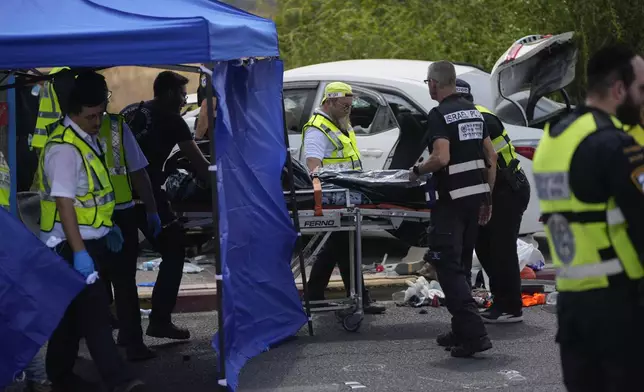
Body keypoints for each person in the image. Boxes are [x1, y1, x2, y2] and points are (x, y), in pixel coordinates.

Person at [532, 44, 644, 392]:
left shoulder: (552, 139)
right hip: (619, 305)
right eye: (642, 90)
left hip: (572, 305)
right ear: (620, 89)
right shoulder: (614, 144)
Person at [38, 71, 144, 392]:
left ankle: (59, 374)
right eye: (91, 116)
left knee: (72, 316)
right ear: (74, 113)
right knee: (96, 315)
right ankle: (119, 380)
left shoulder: (88, 140)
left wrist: (106, 228)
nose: (98, 121)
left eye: (100, 113)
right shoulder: (65, 151)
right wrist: (81, 251)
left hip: (89, 241)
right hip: (72, 247)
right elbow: (65, 203)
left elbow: (94, 197)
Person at [68, 72, 161, 361]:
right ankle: (129, 342)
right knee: (123, 282)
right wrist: (152, 210)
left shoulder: (67, 133)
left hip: (89, 220)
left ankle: (102, 343)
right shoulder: (117, 128)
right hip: (117, 215)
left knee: (95, 283)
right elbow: (139, 173)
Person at [408, 61, 495, 357]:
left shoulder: (439, 115)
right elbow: (491, 156)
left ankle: (474, 335)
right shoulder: (473, 111)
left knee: (447, 266)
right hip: (475, 199)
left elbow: (441, 157)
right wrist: (488, 198)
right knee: (461, 265)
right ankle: (461, 330)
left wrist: (418, 170)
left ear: (434, 83)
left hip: (452, 202)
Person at [120, 71, 212, 340]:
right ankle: (159, 320)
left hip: (115, 197)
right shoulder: (173, 121)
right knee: (174, 249)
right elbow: (200, 166)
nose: (185, 101)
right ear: (170, 93)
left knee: (121, 265)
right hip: (147, 194)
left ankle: (122, 330)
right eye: (183, 95)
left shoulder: (129, 111)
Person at [300, 81, 385, 314]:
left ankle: (315, 293)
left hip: (347, 193)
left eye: (350, 106)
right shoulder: (319, 128)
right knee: (345, 246)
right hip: (333, 195)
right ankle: (360, 297)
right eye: (344, 106)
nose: (349, 110)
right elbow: (313, 166)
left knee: (336, 246)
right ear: (330, 102)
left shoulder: (340, 124)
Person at [455, 78, 530, 323]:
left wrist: (485, 198)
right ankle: (501, 299)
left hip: (506, 189)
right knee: (485, 246)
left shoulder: (481, 120)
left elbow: (491, 163)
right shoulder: (472, 117)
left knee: (501, 249)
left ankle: (510, 307)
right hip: (498, 188)